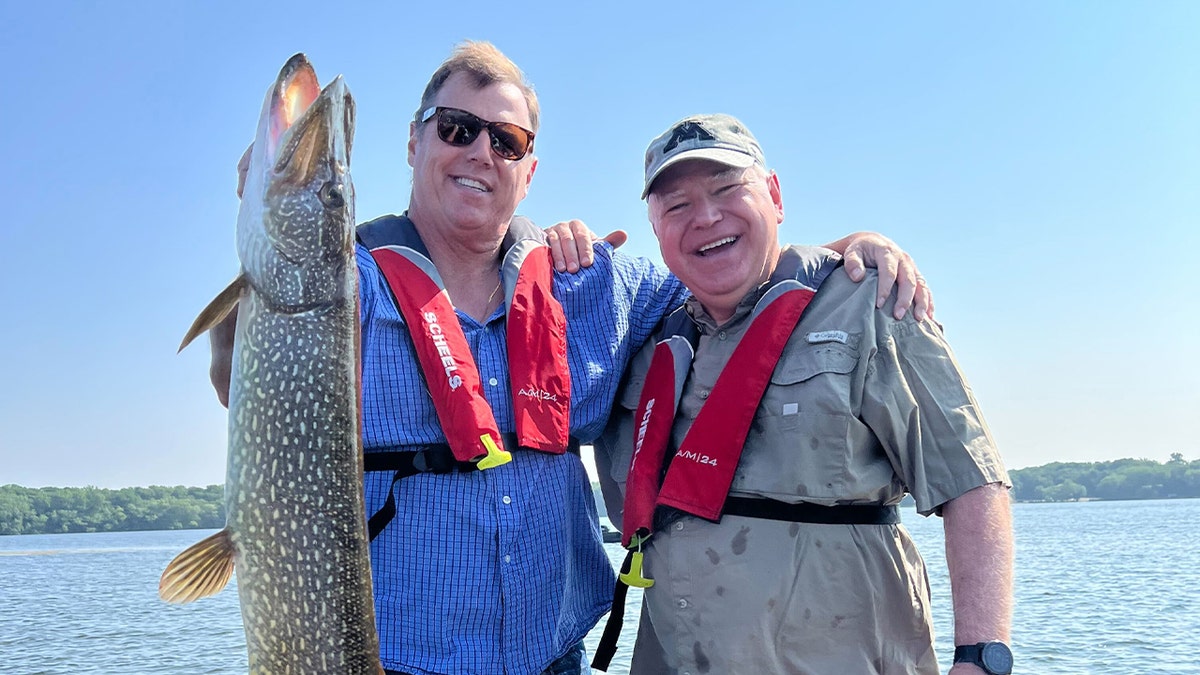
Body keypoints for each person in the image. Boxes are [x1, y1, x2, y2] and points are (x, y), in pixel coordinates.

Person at [208, 44, 932, 675]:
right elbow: (235, 381)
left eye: (507, 140)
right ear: (414, 143)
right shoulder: (342, 282)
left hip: (554, 660)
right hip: (389, 658)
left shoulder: (592, 285)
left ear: (529, 170)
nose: (479, 152)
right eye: (456, 128)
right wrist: (258, 264)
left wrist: (850, 247)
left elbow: (727, 277)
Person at [593, 114, 1014, 675]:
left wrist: (981, 660)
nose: (707, 217)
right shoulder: (649, 338)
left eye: (726, 189)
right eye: (677, 206)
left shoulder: (872, 302)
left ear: (774, 194)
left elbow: (972, 484)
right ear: (655, 229)